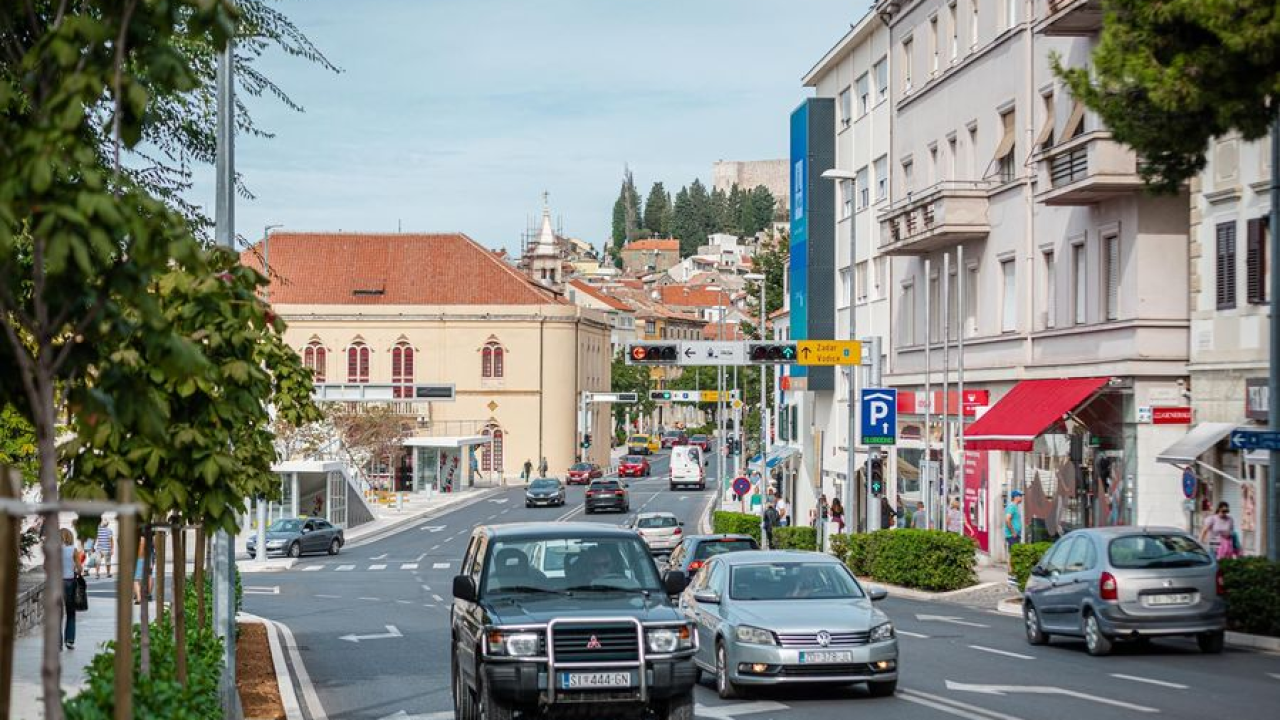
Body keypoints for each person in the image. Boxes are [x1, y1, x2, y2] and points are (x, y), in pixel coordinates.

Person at [60, 528, 82, 650]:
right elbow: (79, 568)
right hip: (69, 582)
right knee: (70, 613)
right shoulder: (73, 550)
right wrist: (76, 572)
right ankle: (69, 640)